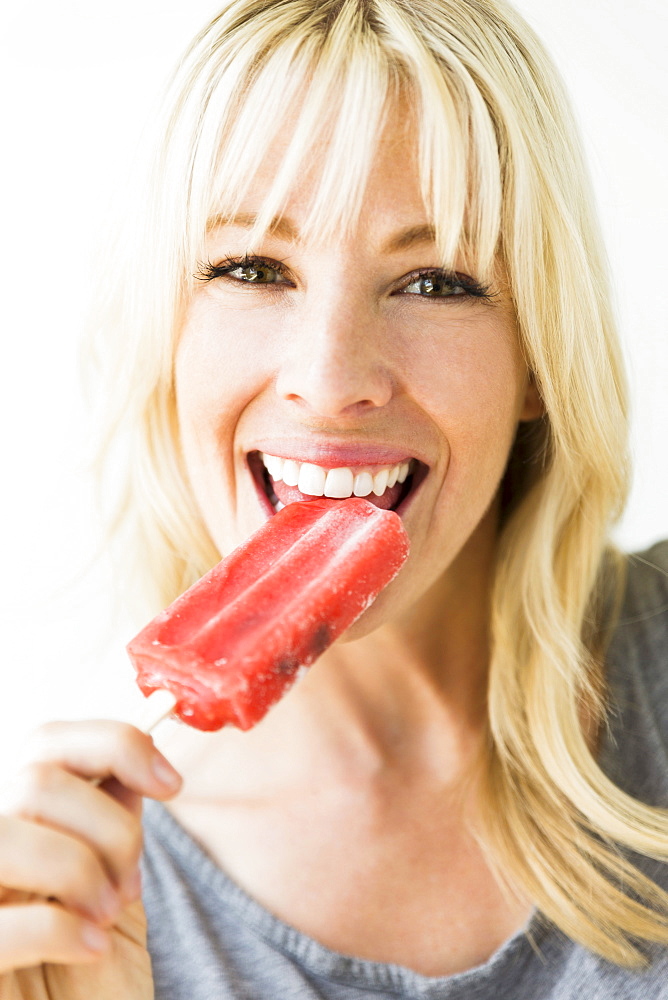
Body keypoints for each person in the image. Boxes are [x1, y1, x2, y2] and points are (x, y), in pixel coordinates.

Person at [1, 0, 667, 996]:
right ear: (167, 340)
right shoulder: (79, 902)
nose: (330, 375)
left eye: (435, 280)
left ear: (537, 356)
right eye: (252, 268)